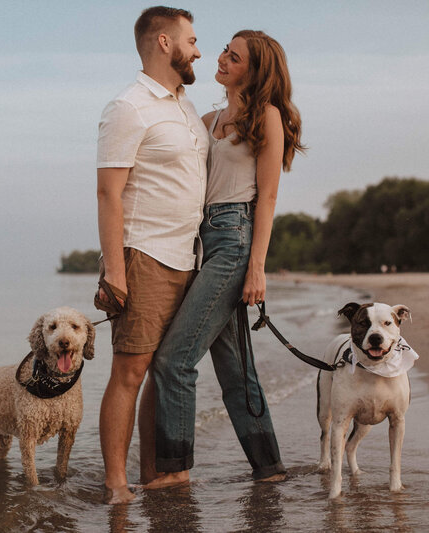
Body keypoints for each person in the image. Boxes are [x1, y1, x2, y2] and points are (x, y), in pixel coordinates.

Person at [149, 30, 305, 487]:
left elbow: (269, 199)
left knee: (174, 361)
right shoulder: (209, 117)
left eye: (234, 57)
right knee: (235, 369)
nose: (221, 59)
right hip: (201, 241)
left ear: (254, 71)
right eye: (224, 50)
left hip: (235, 240)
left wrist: (256, 267)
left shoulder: (268, 117)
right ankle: (269, 468)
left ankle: (174, 471)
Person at [95, 6, 208, 504]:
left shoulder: (185, 106)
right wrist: (115, 271)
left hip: (189, 259)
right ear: (164, 43)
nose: (199, 50)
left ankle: (149, 472)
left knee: (163, 374)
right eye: (192, 39)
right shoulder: (129, 106)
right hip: (144, 255)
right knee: (130, 372)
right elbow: (107, 194)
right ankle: (115, 483)